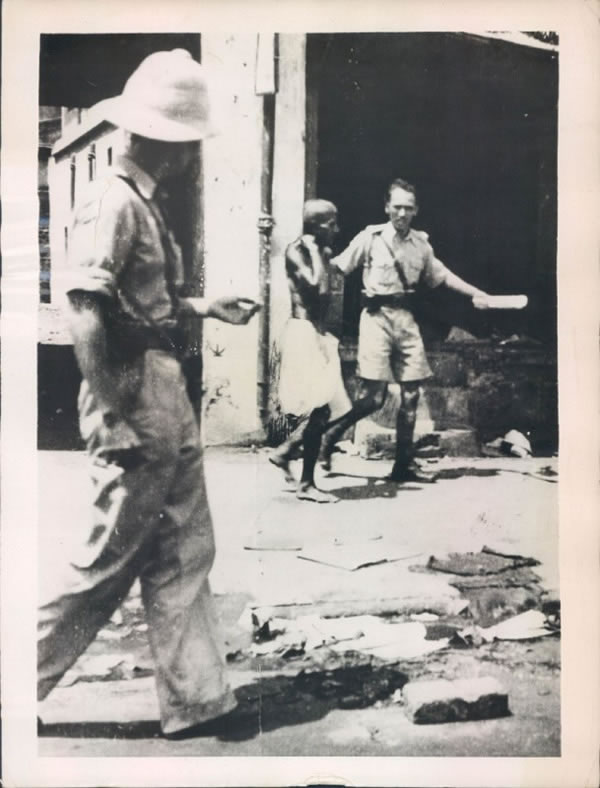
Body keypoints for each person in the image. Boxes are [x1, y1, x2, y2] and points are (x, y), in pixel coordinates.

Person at [37, 50, 261, 739]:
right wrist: (111, 407)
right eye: (191, 142)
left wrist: (201, 306)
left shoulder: (138, 202)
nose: (195, 155)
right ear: (175, 144)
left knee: (185, 550)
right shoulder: (109, 204)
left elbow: (140, 304)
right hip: (132, 391)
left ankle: (197, 698)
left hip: (162, 384)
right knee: (108, 558)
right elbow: (86, 312)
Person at [320, 177, 490, 483]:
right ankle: (330, 436)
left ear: (416, 211)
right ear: (386, 207)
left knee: (411, 396)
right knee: (374, 399)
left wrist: (479, 294)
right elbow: (337, 267)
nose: (401, 213)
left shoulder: (421, 245)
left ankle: (403, 465)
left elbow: (443, 276)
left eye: (408, 208)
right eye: (396, 207)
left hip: (405, 321)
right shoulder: (370, 238)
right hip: (375, 319)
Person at [270, 200, 351, 503]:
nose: (336, 229)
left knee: (331, 407)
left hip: (317, 334)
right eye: (331, 224)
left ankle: (286, 455)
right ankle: (305, 482)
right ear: (316, 226)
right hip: (301, 333)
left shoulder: (323, 252)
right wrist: (319, 252)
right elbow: (318, 288)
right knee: (320, 408)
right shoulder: (297, 251)